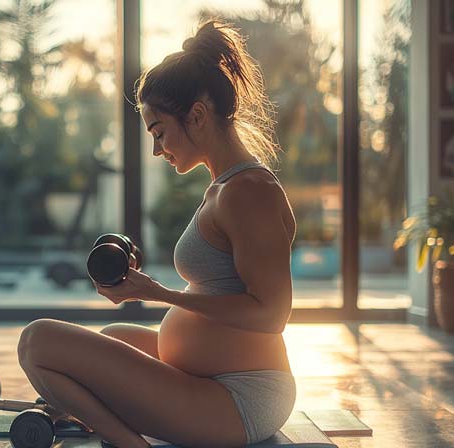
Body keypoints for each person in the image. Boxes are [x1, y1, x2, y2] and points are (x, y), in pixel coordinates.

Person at [17, 20, 296, 448]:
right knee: (114, 338)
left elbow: (270, 314)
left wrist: (161, 294)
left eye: (159, 132)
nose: (156, 149)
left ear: (197, 116)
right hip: (215, 380)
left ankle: (131, 444)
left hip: (238, 399)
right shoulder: (225, 185)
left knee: (36, 341)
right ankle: (81, 412)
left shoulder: (249, 193)